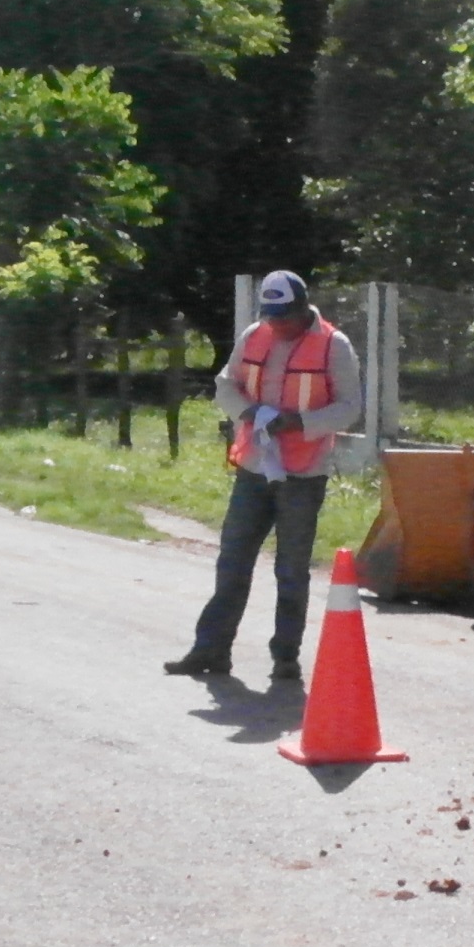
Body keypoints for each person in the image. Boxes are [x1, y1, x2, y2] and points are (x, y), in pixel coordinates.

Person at [166, 272, 362, 682]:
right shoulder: (255, 334)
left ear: (303, 308)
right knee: (232, 562)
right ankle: (211, 651)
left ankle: (285, 659)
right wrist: (248, 412)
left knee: (291, 570)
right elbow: (226, 385)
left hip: (304, 474)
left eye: (284, 317)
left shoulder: (333, 345)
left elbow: (349, 408)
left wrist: (299, 423)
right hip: (255, 467)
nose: (277, 326)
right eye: (271, 317)